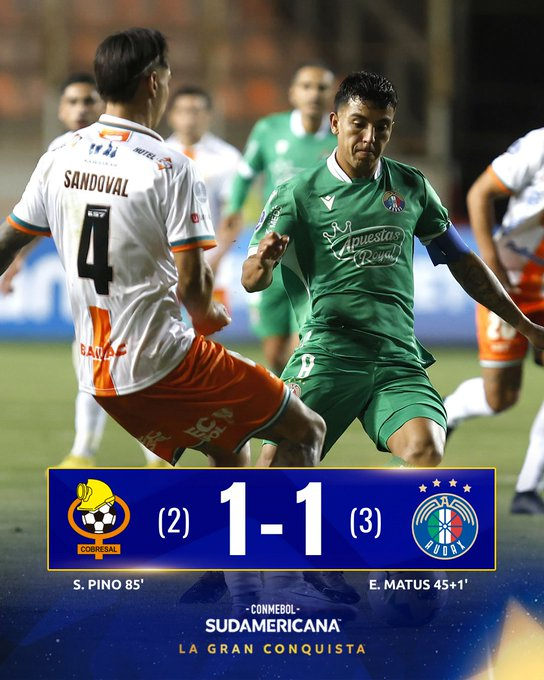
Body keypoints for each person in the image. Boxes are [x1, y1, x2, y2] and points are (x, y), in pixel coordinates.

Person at [0, 28, 360, 618]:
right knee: (305, 429)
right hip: (164, 359)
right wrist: (211, 313)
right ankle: (291, 581)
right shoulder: (170, 165)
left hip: (96, 373)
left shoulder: (60, 154)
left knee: (230, 445)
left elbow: (7, 245)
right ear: (154, 82)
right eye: (166, 73)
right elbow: (194, 291)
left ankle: (243, 593)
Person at [241, 70, 544, 472]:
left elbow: (463, 262)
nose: (370, 137)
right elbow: (251, 280)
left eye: (381, 126)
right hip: (328, 352)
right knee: (277, 466)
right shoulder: (297, 194)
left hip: (396, 357)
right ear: (335, 123)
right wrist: (263, 263)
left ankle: (372, 513)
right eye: (358, 124)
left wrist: (525, 326)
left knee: (426, 447)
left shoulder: (411, 185)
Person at [444, 128, 544, 514]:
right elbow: (479, 193)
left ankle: (527, 490)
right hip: (512, 281)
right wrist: (492, 265)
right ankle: (449, 411)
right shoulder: (538, 146)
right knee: (499, 398)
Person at [221, 62, 336, 375]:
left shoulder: (339, 138)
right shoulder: (269, 130)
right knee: (274, 355)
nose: (314, 94)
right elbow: (246, 173)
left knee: (306, 349)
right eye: (307, 86)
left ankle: (303, 398)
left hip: (317, 254)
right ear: (293, 93)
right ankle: (292, 396)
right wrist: (234, 207)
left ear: (331, 95)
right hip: (272, 246)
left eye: (322, 87)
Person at [165, 84, 242, 308]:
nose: (189, 118)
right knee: (164, 327)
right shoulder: (158, 154)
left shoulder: (227, 157)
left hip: (211, 266)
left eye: (196, 111)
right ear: (171, 116)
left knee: (208, 328)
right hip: (166, 266)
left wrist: (213, 261)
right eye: (183, 111)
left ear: (208, 116)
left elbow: (233, 216)